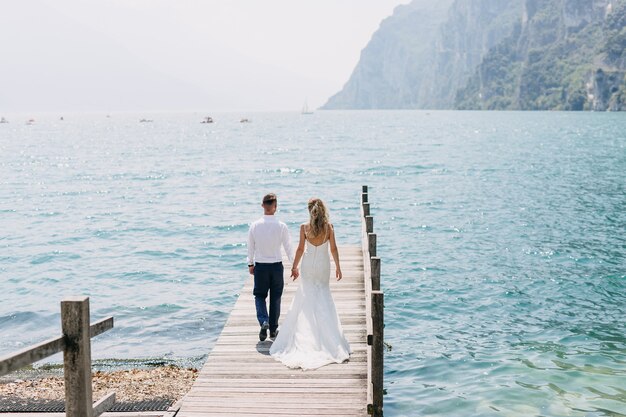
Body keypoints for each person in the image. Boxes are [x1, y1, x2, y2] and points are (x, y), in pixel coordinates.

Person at [269, 198, 351, 370]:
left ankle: (307, 335)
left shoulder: (304, 227)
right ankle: (329, 340)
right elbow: (334, 249)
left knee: (306, 297)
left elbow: (300, 249)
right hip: (322, 265)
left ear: (309, 211)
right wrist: (338, 267)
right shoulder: (329, 228)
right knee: (323, 295)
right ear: (323, 210)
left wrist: (294, 267)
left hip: (308, 266)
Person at [247, 193, 294, 341]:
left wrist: (250, 263)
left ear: (262, 206)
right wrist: (294, 266)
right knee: (276, 298)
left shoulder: (254, 225)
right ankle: (273, 330)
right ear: (276, 207)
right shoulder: (281, 226)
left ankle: (264, 321)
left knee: (260, 296)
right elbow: (288, 248)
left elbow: (250, 247)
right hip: (276, 267)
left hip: (261, 266)